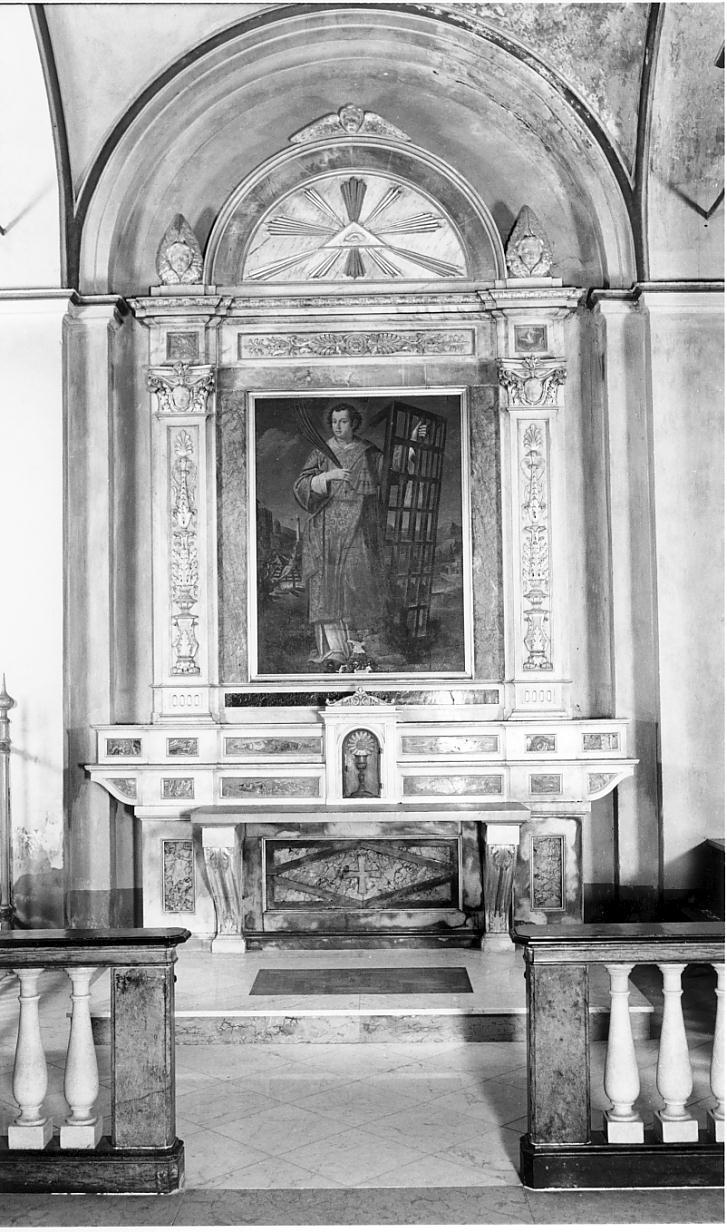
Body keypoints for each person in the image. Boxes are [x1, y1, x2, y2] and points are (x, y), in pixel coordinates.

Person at [293, 403, 387, 666]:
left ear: (353, 423)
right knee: (325, 585)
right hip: (325, 529)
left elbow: (389, 469)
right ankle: (335, 649)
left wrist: (412, 446)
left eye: (343, 421)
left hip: (356, 526)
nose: (337, 426)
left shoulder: (366, 451)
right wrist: (326, 477)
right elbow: (300, 485)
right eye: (334, 421)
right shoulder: (321, 451)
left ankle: (359, 648)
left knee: (355, 581)